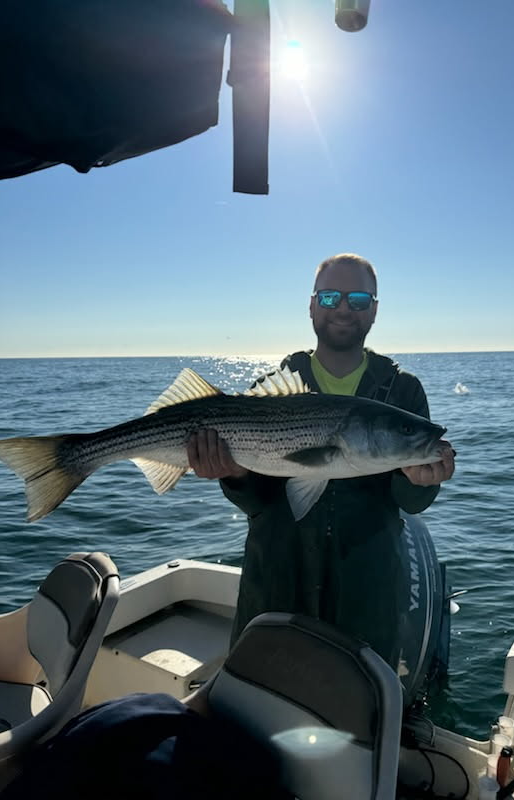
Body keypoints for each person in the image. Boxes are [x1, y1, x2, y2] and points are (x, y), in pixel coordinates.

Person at [187, 253, 455, 669]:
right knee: (258, 711)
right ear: (312, 306)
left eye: (358, 299)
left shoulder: (403, 391)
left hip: (369, 592)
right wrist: (234, 474)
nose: (344, 309)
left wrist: (421, 481)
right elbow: (257, 501)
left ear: (375, 310)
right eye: (330, 298)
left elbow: (411, 503)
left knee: (356, 719)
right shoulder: (268, 391)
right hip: (276, 583)